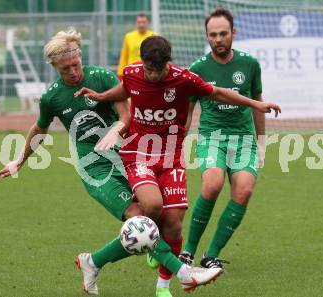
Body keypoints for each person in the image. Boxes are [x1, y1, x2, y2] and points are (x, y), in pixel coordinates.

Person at [0, 29, 221, 295]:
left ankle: (92, 261)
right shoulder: (52, 97)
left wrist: (116, 130)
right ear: (55, 67)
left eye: (75, 64)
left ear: (81, 56)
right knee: (138, 219)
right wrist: (19, 161)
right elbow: (40, 129)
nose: (72, 71)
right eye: (65, 68)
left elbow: (125, 115)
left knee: (157, 219)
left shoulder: (102, 77)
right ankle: (185, 274)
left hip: (125, 154)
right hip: (95, 168)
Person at [75, 35, 280, 297]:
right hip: (138, 152)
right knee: (152, 207)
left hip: (171, 156)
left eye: (157, 71)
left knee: (172, 225)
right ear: (143, 62)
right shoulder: (133, 72)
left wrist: (256, 104)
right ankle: (181, 271)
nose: (152, 75)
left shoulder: (184, 79)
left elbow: (217, 92)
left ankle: (158, 284)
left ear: (167, 64)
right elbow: (126, 89)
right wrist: (103, 95)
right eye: (148, 69)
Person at [179, 8, 267, 269]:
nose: (218, 39)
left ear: (233, 33)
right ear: (207, 37)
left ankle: (211, 254)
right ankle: (188, 251)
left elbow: (257, 103)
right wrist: (178, 142)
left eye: (223, 34)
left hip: (243, 140)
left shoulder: (250, 64)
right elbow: (188, 111)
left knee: (244, 190)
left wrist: (262, 142)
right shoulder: (198, 68)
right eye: (213, 35)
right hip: (212, 137)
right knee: (213, 183)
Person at [117, 13, 155, 78]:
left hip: (148, 72)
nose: (141, 25)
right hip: (132, 72)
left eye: (144, 22)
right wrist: (120, 73)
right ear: (136, 23)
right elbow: (124, 55)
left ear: (148, 23)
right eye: (139, 22)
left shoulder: (154, 36)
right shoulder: (129, 37)